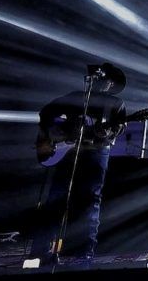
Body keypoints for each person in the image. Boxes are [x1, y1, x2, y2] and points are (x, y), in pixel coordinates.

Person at [29, 62, 127, 265]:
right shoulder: (76, 96)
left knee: (90, 200)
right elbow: (46, 112)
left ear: (111, 83)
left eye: (107, 79)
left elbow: (116, 130)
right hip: (68, 152)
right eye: (100, 77)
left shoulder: (116, 103)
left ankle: (85, 252)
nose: (102, 81)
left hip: (95, 152)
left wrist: (107, 132)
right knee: (55, 199)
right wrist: (51, 133)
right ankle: (40, 251)